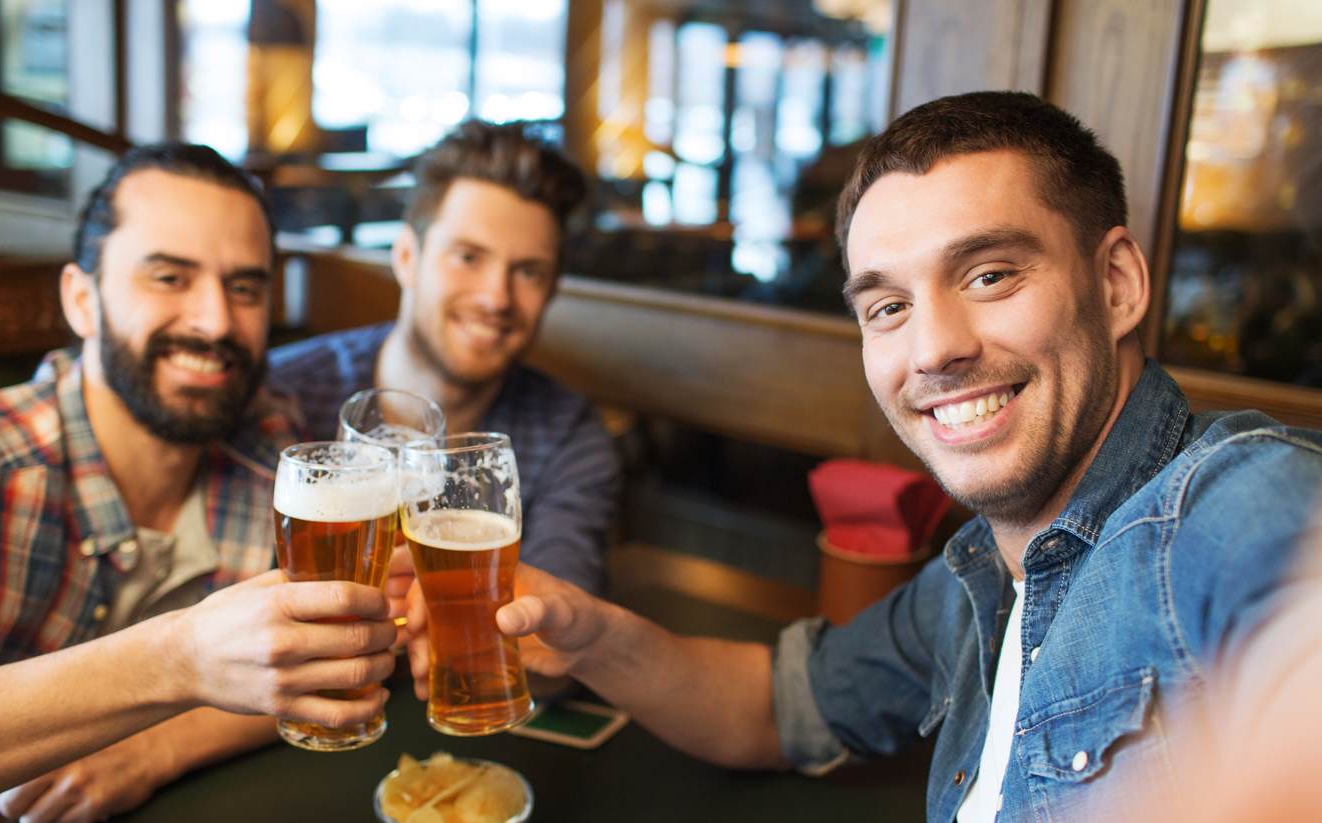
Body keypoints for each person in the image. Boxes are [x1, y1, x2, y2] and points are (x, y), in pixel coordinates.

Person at [403, 92, 1322, 822]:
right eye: (888, 307)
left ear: (1116, 284)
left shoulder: (1237, 498)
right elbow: (770, 706)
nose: (933, 349)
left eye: (989, 275)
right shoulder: (978, 579)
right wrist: (592, 633)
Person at [0, 144, 402, 822]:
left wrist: (160, 743)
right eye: (168, 277)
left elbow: (311, 659)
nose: (215, 321)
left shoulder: (272, 449)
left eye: (244, 287)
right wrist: (178, 658)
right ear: (81, 299)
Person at [270, 120, 621, 595]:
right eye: (469, 257)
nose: (497, 297)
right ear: (406, 257)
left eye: (529, 272)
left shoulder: (568, 437)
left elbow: (560, 635)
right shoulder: (282, 390)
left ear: (553, 289)